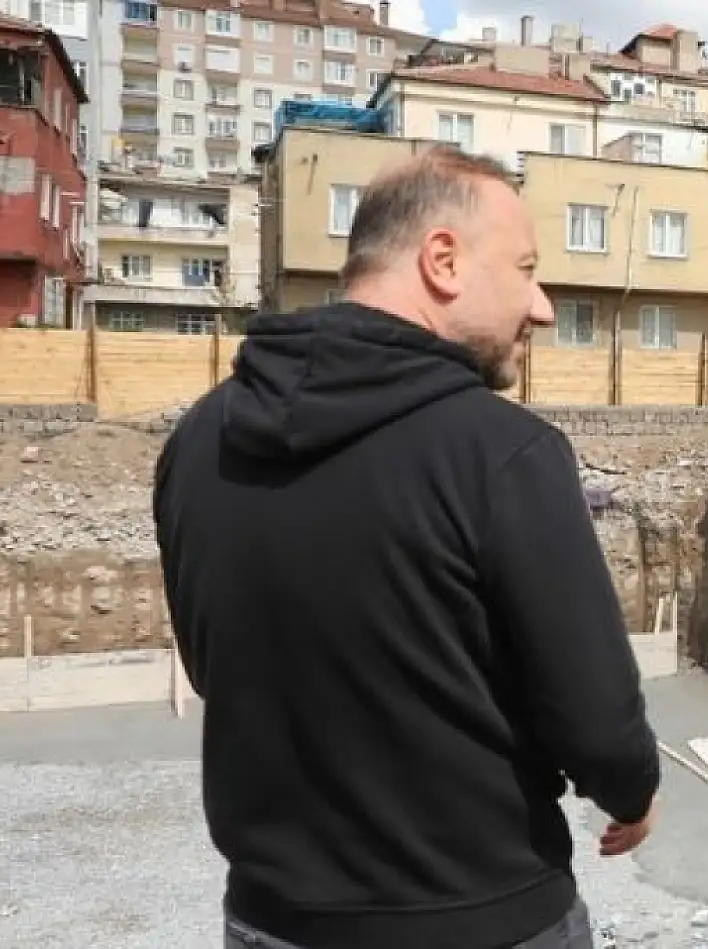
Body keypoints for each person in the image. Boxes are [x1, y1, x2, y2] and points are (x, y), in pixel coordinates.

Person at [153, 147, 662, 949]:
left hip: (273, 922)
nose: (543, 307)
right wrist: (632, 790)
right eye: (526, 268)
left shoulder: (199, 441)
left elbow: (216, 664)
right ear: (443, 260)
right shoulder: (504, 452)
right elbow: (596, 718)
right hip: (485, 920)